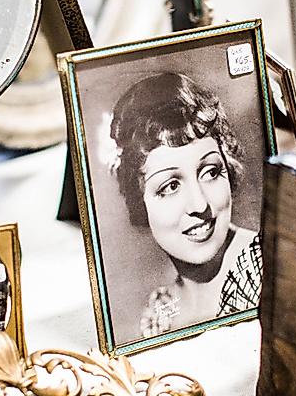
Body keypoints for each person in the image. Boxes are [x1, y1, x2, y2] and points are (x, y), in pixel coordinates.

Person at [108, 72, 261, 338]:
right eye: (170, 186)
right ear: (140, 202)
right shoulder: (161, 312)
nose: (199, 204)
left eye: (211, 172)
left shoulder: (264, 268)